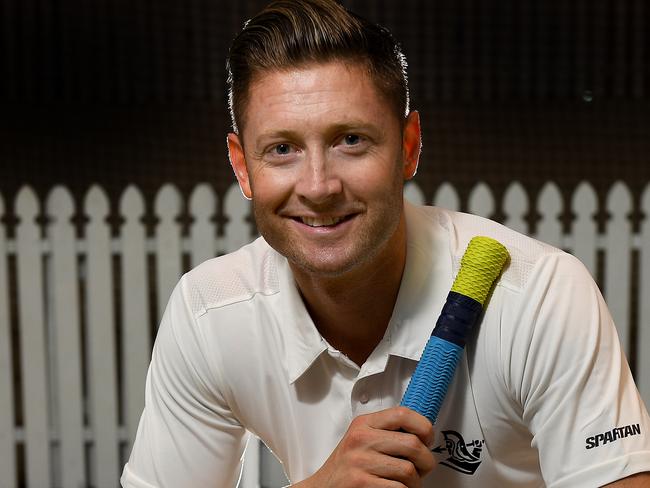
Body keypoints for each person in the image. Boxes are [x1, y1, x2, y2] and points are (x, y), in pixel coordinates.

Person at [121, 1, 650, 486]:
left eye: (351, 140)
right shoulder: (210, 311)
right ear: (242, 167)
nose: (318, 186)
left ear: (409, 147)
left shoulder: (539, 295)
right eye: (281, 149)